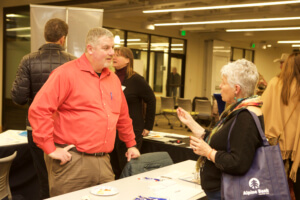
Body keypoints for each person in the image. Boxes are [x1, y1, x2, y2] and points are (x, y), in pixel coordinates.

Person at [28, 27, 140, 197]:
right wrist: (49, 148)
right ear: (90, 48)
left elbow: (123, 116)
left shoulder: (113, 79)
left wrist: (131, 144)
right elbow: (39, 110)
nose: (112, 53)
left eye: (113, 48)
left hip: (103, 161)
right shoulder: (65, 74)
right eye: (106, 48)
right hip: (72, 161)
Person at [177, 59, 263, 200]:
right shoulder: (237, 111)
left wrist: (208, 152)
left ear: (236, 89)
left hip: (227, 192)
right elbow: (220, 140)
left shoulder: (245, 117)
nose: (220, 86)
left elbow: (238, 163)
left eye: (223, 82)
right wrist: (191, 123)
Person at [11, 18, 76, 200]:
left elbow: (18, 98)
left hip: (36, 128)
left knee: (43, 178)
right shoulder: (74, 63)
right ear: (63, 38)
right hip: (65, 130)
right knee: (66, 179)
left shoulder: (28, 60)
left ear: (45, 35)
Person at [110, 47, 156, 178]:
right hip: (114, 129)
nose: (114, 57)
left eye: (118, 55)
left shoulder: (136, 79)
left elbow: (151, 100)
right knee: (114, 165)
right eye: (114, 55)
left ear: (127, 60)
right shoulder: (110, 77)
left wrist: (148, 125)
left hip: (132, 128)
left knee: (127, 166)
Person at [261, 52, 300, 199]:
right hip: (297, 149)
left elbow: (263, 111)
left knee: (275, 185)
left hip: (277, 145)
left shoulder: (275, 83)